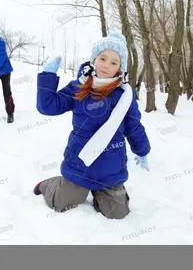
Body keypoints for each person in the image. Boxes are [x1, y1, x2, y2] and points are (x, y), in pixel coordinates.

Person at [33, 33, 151, 219]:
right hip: (80, 163)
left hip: (111, 167)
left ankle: (101, 194)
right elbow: (47, 107)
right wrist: (48, 75)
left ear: (120, 68)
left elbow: (133, 126)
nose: (106, 65)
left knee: (118, 214)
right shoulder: (78, 87)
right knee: (61, 202)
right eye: (103, 58)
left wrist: (142, 150)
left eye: (114, 62)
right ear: (94, 59)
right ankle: (51, 185)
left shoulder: (125, 95)